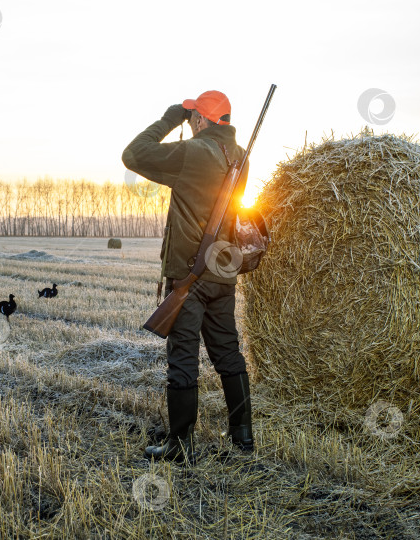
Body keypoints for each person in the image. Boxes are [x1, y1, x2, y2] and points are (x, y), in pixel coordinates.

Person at [122, 90, 253, 464]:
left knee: (183, 357)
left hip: (190, 275)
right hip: (222, 271)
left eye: (193, 116)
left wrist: (169, 119)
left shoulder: (192, 153)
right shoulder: (240, 155)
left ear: (200, 120)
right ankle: (243, 436)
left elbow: (133, 155)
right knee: (228, 352)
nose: (191, 121)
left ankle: (179, 445)